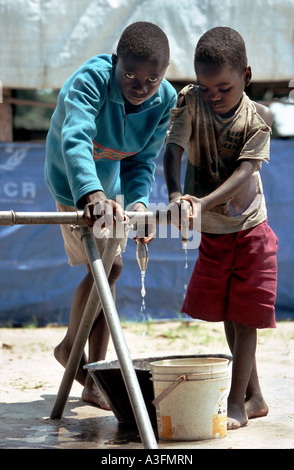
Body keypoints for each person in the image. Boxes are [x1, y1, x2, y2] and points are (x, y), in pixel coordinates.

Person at [45, 21, 177, 408]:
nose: (141, 86)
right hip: (74, 184)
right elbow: (76, 138)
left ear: (165, 75)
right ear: (116, 61)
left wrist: (138, 204)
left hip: (111, 193)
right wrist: (91, 193)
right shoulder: (91, 79)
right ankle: (78, 356)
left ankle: (88, 369)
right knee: (109, 269)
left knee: (109, 269)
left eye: (153, 78)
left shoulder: (165, 101)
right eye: (130, 74)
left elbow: (142, 161)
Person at [164, 26, 278, 429]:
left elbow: (246, 172)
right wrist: (177, 194)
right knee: (229, 312)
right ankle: (256, 397)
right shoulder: (191, 103)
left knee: (245, 317)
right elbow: (174, 148)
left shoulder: (258, 120)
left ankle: (235, 402)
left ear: (246, 77)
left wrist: (201, 202)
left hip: (249, 230)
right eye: (205, 86)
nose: (213, 96)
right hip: (213, 231)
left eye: (224, 88)